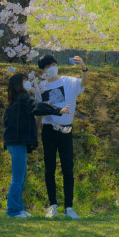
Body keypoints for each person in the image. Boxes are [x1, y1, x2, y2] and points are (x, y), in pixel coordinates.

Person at [3, 72, 70, 217]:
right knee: (18, 177)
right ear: (19, 84)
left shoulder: (13, 102)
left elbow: (8, 121)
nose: (28, 82)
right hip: (17, 143)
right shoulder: (24, 98)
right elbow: (39, 106)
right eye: (25, 80)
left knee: (21, 175)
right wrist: (58, 110)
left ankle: (19, 208)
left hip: (13, 143)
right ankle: (13, 210)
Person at [36, 53, 84, 219]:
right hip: (49, 130)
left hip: (65, 130)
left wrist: (84, 67)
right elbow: (39, 111)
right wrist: (37, 131)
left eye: (52, 65)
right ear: (42, 71)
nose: (51, 69)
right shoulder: (40, 87)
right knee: (49, 168)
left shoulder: (69, 81)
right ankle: (52, 205)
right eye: (47, 68)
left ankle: (69, 207)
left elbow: (85, 82)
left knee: (67, 168)